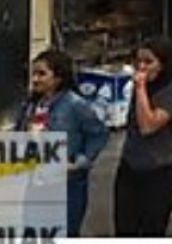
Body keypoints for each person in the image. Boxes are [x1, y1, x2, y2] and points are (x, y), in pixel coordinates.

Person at [16, 49, 109, 237]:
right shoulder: (31, 104)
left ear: (58, 78)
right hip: (36, 182)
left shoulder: (75, 105)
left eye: (42, 74)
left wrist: (80, 162)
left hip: (66, 186)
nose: (35, 79)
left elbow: (98, 134)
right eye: (33, 74)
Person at [114, 38, 172, 236]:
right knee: (124, 228)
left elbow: (148, 126)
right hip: (131, 166)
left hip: (160, 171)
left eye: (149, 62)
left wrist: (140, 89)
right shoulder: (144, 87)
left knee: (151, 229)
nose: (141, 67)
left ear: (163, 64)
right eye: (138, 62)